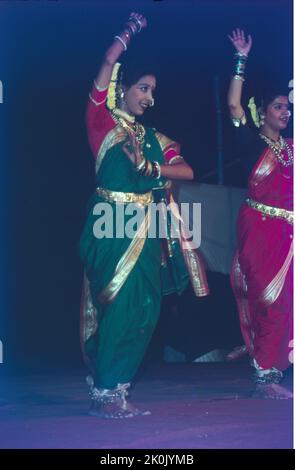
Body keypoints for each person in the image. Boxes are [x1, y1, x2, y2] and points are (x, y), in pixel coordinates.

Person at [79, 12, 209, 418]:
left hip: (146, 228)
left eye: (153, 90)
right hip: (110, 223)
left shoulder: (153, 138)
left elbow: (187, 170)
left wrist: (150, 169)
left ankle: (116, 386)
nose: (149, 97)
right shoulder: (102, 122)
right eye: (143, 88)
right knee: (118, 305)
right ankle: (105, 391)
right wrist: (128, 32)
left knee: (146, 308)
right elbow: (105, 64)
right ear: (123, 87)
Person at [227, 29, 293, 399]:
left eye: (288, 107)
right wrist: (241, 60)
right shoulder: (251, 142)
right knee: (268, 298)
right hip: (259, 228)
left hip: (289, 233)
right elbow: (235, 107)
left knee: (289, 301)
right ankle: (264, 367)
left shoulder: (292, 147)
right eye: (278, 107)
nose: (285, 112)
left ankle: (273, 365)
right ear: (262, 111)